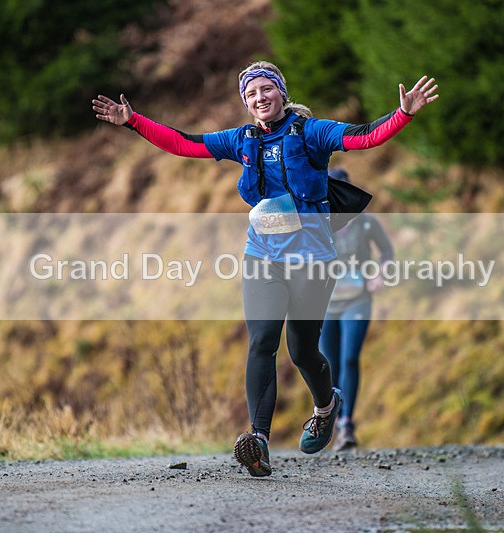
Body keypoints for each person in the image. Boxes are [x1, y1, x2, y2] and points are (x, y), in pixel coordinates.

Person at [93, 61, 438, 476]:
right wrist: (134, 122)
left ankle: (327, 406)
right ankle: (258, 440)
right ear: (246, 102)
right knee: (262, 342)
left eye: (266, 89)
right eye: (251, 93)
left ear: (281, 92)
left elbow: (363, 136)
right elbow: (185, 144)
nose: (260, 97)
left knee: (304, 350)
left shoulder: (311, 132)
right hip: (263, 258)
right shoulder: (241, 140)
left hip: (313, 260)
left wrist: (402, 114)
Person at [319, 168, 394, 451]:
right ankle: (332, 421)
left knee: (350, 358)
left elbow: (387, 251)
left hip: (358, 300)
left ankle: (347, 424)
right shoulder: (318, 224)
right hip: (325, 303)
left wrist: (380, 275)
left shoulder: (366, 223)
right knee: (329, 364)